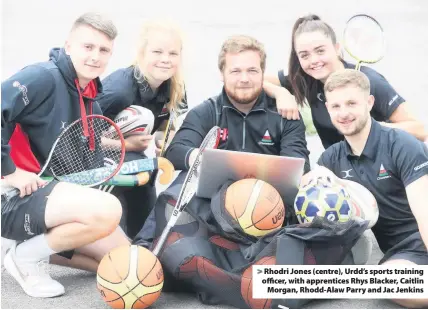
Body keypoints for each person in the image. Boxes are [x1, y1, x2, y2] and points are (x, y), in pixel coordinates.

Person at [134, 34, 311, 247]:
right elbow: (175, 151)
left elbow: (299, 165)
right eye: (235, 71)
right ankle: (142, 248)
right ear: (222, 73)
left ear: (263, 73)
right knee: (184, 181)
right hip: (217, 203)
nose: (244, 78)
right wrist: (199, 159)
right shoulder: (207, 112)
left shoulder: (285, 114)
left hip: (267, 203)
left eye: (252, 70)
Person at [1, 12, 130, 298]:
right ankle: (24, 258)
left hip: (47, 195)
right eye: (88, 47)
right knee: (107, 210)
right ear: (68, 45)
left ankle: (34, 247)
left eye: (103, 50)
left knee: (125, 261)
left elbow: (77, 166)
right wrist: (8, 169)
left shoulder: (91, 96)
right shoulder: (42, 77)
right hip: (11, 196)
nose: (95, 56)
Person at [303, 69, 427, 308]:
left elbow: (425, 214)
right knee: (390, 282)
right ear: (328, 109)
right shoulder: (330, 160)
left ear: (369, 103)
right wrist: (312, 180)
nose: (344, 113)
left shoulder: (402, 145)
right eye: (336, 106)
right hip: (404, 252)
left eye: (351, 103)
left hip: (423, 234)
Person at [264, 14, 427, 149]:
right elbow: (254, 79)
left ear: (336, 48)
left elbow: (420, 130)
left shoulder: (370, 81)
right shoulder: (306, 78)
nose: (313, 60)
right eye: (304, 55)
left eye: (320, 51)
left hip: (383, 169)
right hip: (339, 170)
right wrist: (281, 93)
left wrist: (372, 128)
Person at [97, 19, 188, 239]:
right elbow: (79, 139)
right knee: (137, 164)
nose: (165, 60)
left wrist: (164, 143)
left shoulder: (176, 87)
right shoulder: (118, 91)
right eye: (157, 51)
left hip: (135, 159)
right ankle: (106, 234)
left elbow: (166, 127)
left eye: (173, 54)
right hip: (94, 163)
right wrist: (125, 144)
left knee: (148, 234)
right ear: (141, 53)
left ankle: (141, 242)